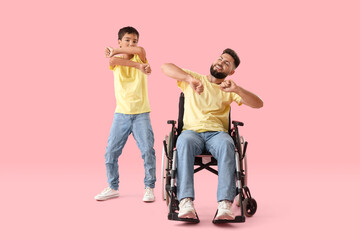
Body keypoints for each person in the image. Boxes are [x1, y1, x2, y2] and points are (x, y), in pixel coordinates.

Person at [161, 48, 263, 220]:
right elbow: (165, 66)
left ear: (231, 71)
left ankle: (225, 205)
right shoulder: (194, 79)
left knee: (227, 144)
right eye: (220, 59)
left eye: (226, 63)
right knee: (183, 142)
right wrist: (189, 79)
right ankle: (186, 202)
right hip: (191, 133)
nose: (220, 63)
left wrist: (238, 90)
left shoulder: (229, 89)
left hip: (217, 135)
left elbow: (258, 104)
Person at [95, 26, 156, 202]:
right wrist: (138, 66)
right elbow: (115, 61)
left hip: (141, 114)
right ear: (119, 42)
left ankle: (149, 187)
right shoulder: (114, 60)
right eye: (127, 40)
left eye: (134, 41)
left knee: (147, 151)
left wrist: (120, 51)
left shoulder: (141, 54)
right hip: (121, 114)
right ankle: (113, 187)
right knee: (110, 153)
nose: (131, 44)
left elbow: (139, 50)